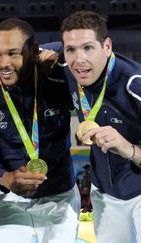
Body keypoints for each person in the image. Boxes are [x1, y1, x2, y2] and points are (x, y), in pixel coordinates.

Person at [0, 18, 80, 242]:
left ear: (33, 51)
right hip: (7, 197)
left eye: (13, 53)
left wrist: (57, 54)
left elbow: (85, 54)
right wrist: (5, 177)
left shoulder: (56, 77)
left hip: (59, 196)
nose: (3, 63)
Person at [60, 11, 141, 242]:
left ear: (107, 46)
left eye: (88, 48)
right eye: (71, 50)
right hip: (104, 196)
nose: (78, 59)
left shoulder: (134, 86)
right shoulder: (67, 71)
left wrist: (129, 149)